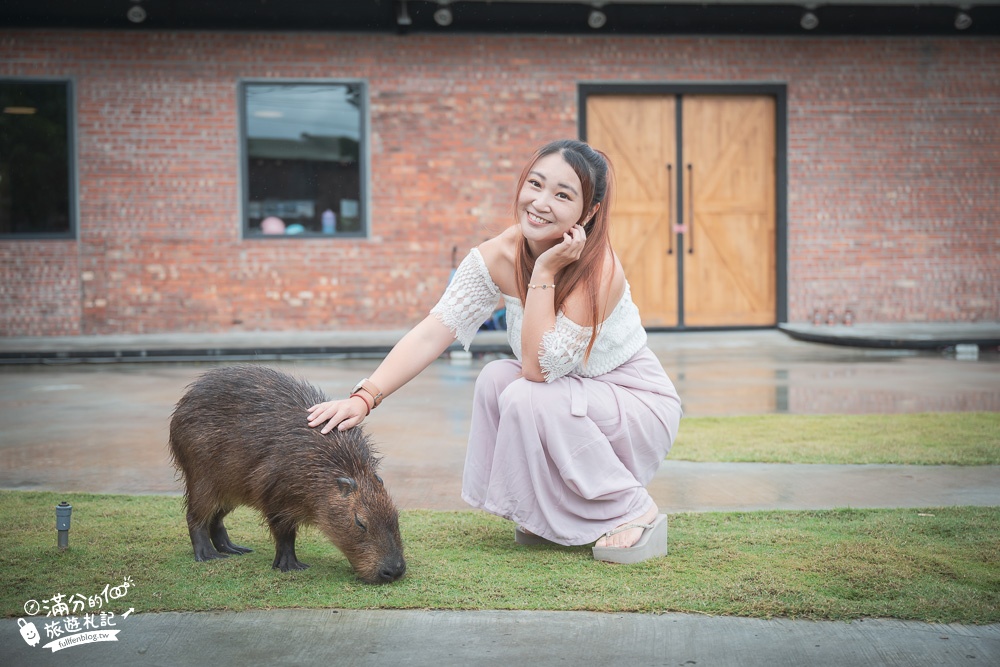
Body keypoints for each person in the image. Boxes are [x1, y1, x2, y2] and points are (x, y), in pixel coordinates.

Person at [308, 139, 682, 563]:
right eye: (535, 184)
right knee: (495, 379)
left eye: (563, 195)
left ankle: (633, 508)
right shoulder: (498, 254)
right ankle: (548, 514)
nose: (540, 203)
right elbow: (435, 330)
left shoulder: (600, 270)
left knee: (525, 390)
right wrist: (366, 396)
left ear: (589, 212)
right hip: (574, 397)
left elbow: (540, 370)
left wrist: (543, 272)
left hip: (634, 403)